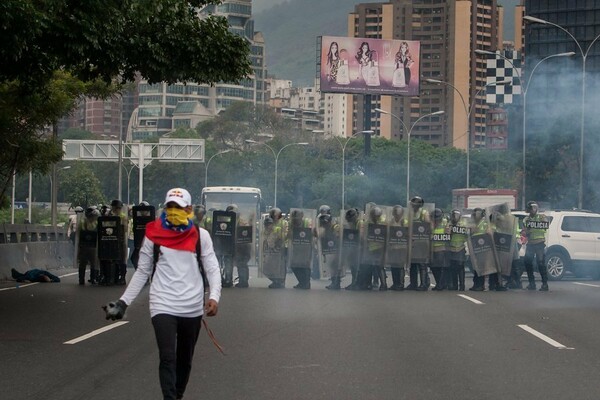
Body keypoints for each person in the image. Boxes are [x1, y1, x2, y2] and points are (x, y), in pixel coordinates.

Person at [103, 187, 221, 400]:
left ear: (189, 209)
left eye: (179, 207)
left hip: (192, 307)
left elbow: (212, 268)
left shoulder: (201, 236)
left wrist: (214, 297)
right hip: (162, 303)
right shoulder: (153, 236)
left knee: (185, 360)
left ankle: (177, 395)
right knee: (167, 357)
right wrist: (123, 303)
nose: (173, 211)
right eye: (170, 207)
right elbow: (143, 272)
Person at [522, 201, 549, 291]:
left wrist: (541, 220)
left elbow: (545, 224)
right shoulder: (526, 219)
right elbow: (524, 232)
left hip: (540, 243)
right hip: (530, 244)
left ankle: (545, 284)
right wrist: (526, 231)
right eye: (531, 208)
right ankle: (532, 283)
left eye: (534, 208)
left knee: (540, 263)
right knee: (527, 262)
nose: (533, 210)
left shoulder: (541, 217)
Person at [407, 196, 431, 291]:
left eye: (414, 204)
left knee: (421, 263)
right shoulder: (410, 213)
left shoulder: (424, 213)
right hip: (412, 241)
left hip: (421, 241)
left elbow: (428, 225)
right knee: (412, 263)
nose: (412, 206)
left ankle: (424, 284)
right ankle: (413, 283)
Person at [387, 205, 408, 291]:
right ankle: (395, 283)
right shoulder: (391, 221)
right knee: (393, 265)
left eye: (398, 214)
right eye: (395, 214)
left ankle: (400, 284)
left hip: (402, 247)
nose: (397, 215)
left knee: (400, 265)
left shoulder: (404, 222)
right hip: (393, 246)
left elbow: (407, 233)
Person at [469, 208, 490, 291]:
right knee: (475, 267)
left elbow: (488, 232)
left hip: (483, 248)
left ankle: (480, 285)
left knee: (481, 267)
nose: (474, 216)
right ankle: (476, 284)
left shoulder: (484, 223)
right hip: (475, 247)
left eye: (476, 214)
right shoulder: (474, 223)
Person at [78, 207, 100, 285]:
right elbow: (80, 233)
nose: (94, 218)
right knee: (83, 262)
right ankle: (81, 279)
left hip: (93, 246)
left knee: (93, 262)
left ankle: (93, 278)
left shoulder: (96, 223)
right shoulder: (83, 222)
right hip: (84, 245)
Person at [448, 209, 468, 291]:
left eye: (456, 215)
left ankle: (462, 285)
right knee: (453, 267)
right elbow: (447, 234)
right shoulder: (449, 224)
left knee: (460, 266)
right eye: (453, 215)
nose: (455, 217)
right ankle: (455, 285)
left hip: (460, 247)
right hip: (451, 247)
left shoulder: (463, 224)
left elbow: (468, 233)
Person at [430, 208, 450, 291]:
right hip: (432, 247)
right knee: (433, 267)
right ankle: (439, 283)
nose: (436, 220)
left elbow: (449, 233)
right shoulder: (430, 222)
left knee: (441, 267)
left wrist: (447, 231)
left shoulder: (445, 222)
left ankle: (441, 284)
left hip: (442, 247)